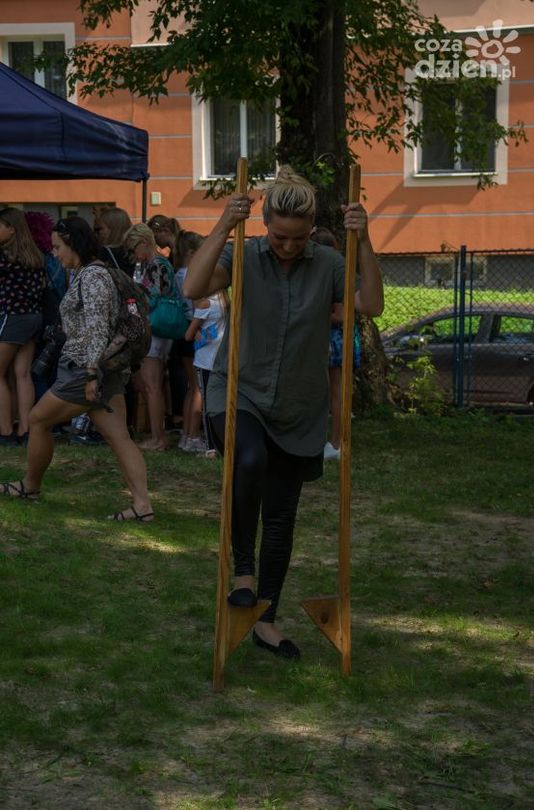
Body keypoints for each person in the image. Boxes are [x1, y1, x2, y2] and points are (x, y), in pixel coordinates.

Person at [183, 166, 384, 659]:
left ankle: (265, 621)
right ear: (265, 223)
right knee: (248, 459)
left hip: (299, 405)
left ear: (312, 228)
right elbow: (193, 287)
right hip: (240, 391)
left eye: (298, 238)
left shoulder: (329, 262)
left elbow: (371, 304)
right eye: (279, 237)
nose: (289, 246)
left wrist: (365, 239)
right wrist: (223, 225)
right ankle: (243, 572)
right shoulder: (245, 253)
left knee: (281, 516)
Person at [1, 216, 153, 522]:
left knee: (37, 420)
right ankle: (142, 506)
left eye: (58, 247)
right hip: (103, 368)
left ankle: (30, 486)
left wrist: (91, 374)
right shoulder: (91, 273)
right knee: (119, 438)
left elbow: (97, 329)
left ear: (74, 244)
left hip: (85, 369)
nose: (54, 253)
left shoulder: (93, 277)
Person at [124, 223, 176, 451]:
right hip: (159, 331)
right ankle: (157, 436)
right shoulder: (159, 264)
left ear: (144, 243)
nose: (133, 254)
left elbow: (150, 299)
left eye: (133, 248)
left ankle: (158, 439)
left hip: (154, 331)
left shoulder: (156, 265)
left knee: (152, 386)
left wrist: (132, 303)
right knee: (153, 385)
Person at [311, 226, 362, 461]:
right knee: (325, 393)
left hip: (335, 340)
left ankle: (337, 442)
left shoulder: (335, 274)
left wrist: (313, 312)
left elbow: (341, 315)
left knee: (336, 393)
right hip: (328, 339)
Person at [0, 207, 47, 445]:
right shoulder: (35, 256)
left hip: (12, 317)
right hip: (33, 317)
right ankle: (26, 430)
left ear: (12, 229)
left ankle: (5, 430)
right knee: (22, 374)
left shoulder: (5, 257)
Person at [184, 289, 229, 457]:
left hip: (205, 360)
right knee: (219, 403)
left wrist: (198, 333)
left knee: (206, 404)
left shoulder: (205, 304)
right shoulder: (226, 302)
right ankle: (220, 443)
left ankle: (210, 447)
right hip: (221, 358)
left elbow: (188, 335)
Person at [174, 231, 205, 453]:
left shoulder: (177, 273)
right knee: (198, 389)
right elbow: (198, 306)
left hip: (182, 332)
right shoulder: (192, 275)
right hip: (194, 332)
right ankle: (193, 435)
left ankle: (186, 434)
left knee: (191, 387)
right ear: (193, 253)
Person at [95, 206, 135, 276]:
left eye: (101, 228)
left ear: (113, 228)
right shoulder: (135, 250)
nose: (99, 232)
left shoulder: (105, 253)